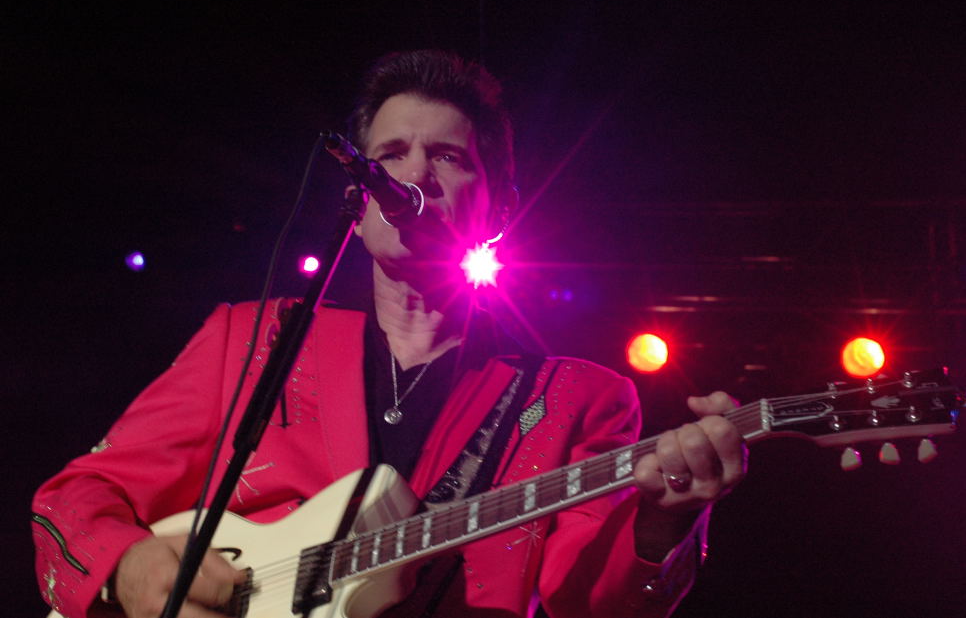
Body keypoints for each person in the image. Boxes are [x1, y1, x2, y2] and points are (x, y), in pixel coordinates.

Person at [32, 50, 747, 618]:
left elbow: (589, 601)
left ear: (500, 204)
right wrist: (128, 565)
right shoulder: (251, 338)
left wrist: (662, 525)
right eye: (392, 153)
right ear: (358, 195)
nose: (415, 174)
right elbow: (77, 492)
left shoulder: (576, 397)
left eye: (448, 157)